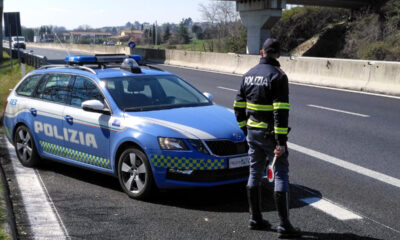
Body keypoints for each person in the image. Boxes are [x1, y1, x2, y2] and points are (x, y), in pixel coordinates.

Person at [233, 38, 301, 238]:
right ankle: (284, 225)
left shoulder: (248, 75)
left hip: (253, 132)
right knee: (280, 174)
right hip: (270, 134)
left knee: (254, 172)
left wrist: (245, 130)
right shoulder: (278, 76)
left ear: (261, 53)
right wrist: (281, 143)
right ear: (277, 55)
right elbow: (281, 111)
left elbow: (238, 107)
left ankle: (255, 219)